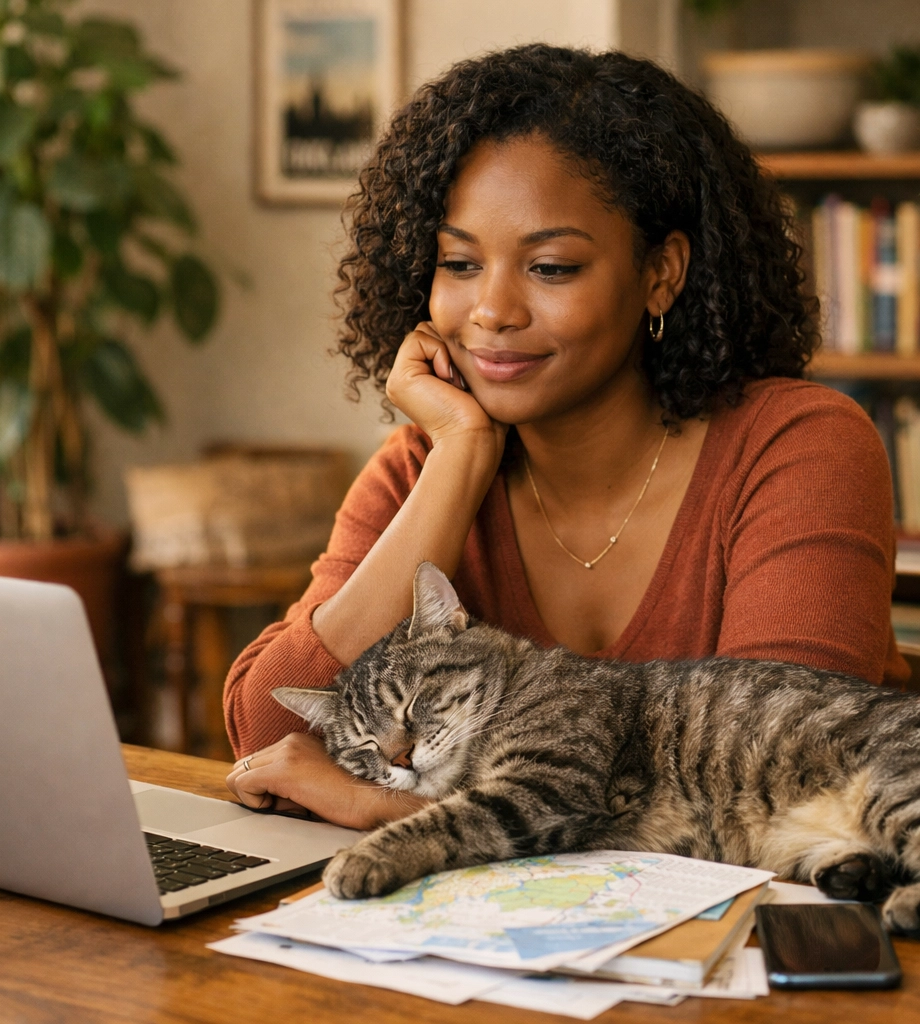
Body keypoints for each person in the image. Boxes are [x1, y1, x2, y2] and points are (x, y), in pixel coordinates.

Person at [223, 45, 908, 827]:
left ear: (662, 273)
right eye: (458, 262)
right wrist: (463, 458)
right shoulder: (422, 466)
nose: (492, 312)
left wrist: (384, 812)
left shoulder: (798, 446)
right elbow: (267, 745)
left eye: (550, 267)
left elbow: (767, 780)